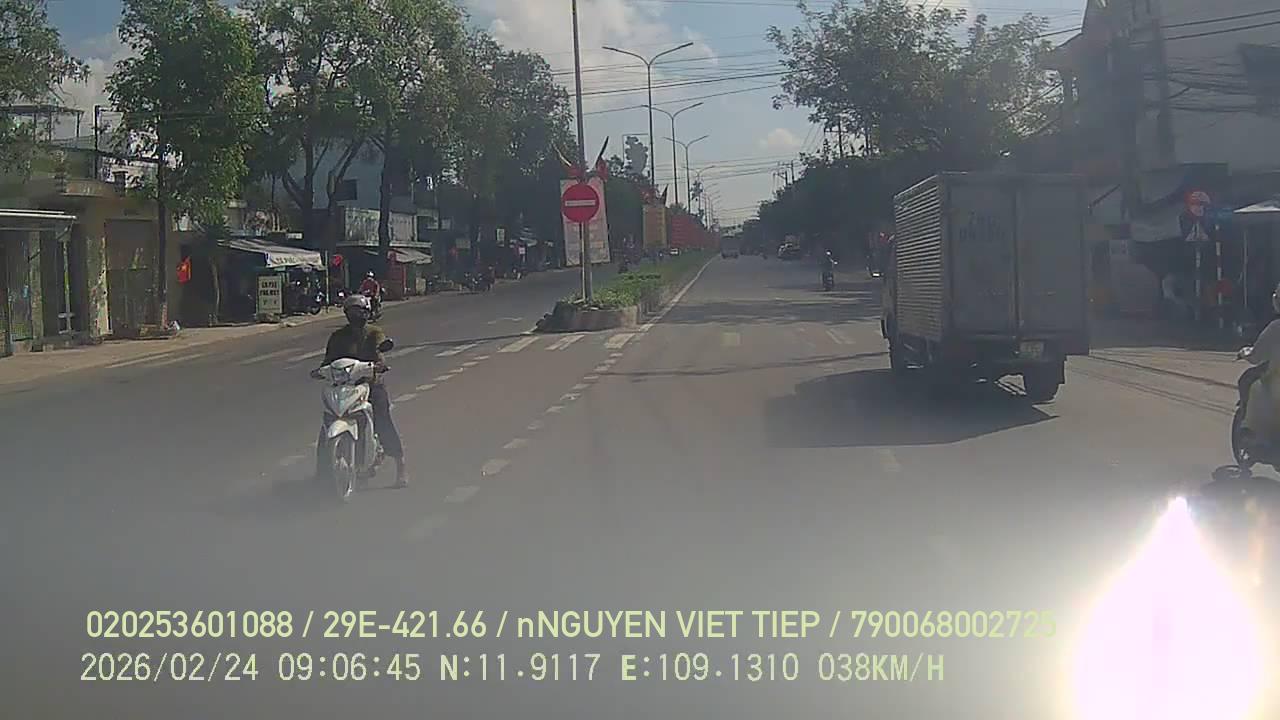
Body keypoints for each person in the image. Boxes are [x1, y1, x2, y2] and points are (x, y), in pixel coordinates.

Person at [318, 294, 408, 488]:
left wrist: (379, 366)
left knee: (382, 421)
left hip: (371, 384)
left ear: (367, 313)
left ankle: (400, 465)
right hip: (345, 385)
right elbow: (328, 360)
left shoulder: (374, 333)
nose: (356, 316)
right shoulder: (338, 336)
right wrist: (321, 370)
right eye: (352, 312)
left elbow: (380, 352)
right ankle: (324, 471)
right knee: (329, 419)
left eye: (360, 312)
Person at [1238, 283, 1280, 443]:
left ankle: (1250, 431)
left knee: (1254, 387)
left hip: (1275, 381)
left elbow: (1256, 356)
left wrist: (1245, 352)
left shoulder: (1275, 327)